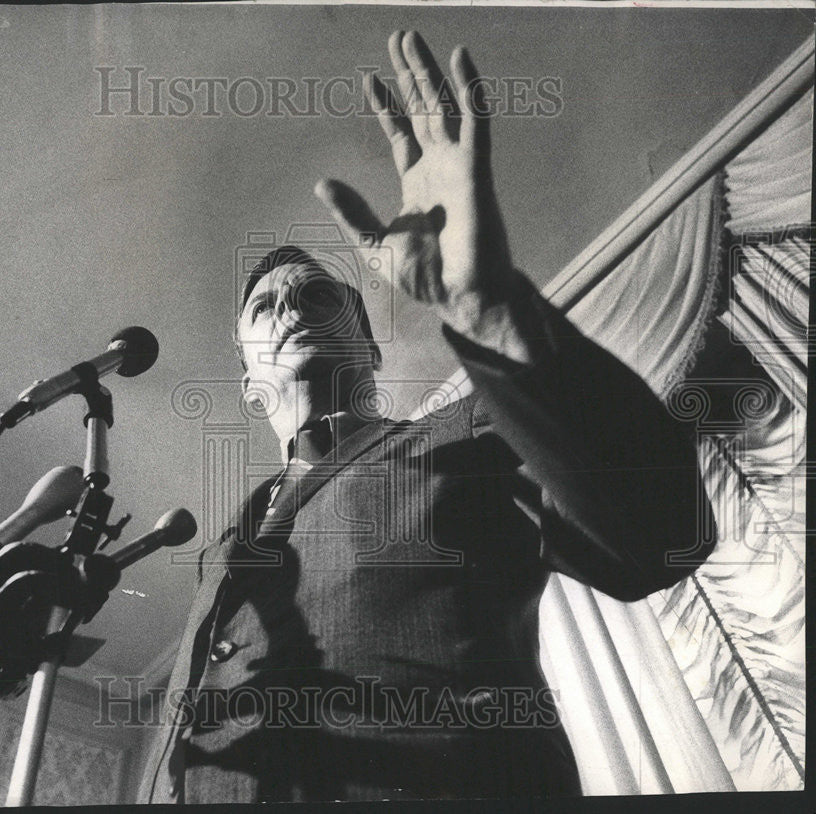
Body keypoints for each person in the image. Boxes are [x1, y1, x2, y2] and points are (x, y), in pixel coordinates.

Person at [138, 31, 715, 803]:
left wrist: (493, 309)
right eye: (265, 305)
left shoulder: (471, 430)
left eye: (316, 295)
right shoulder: (218, 552)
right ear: (248, 383)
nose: (290, 308)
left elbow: (663, 539)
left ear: (369, 350)